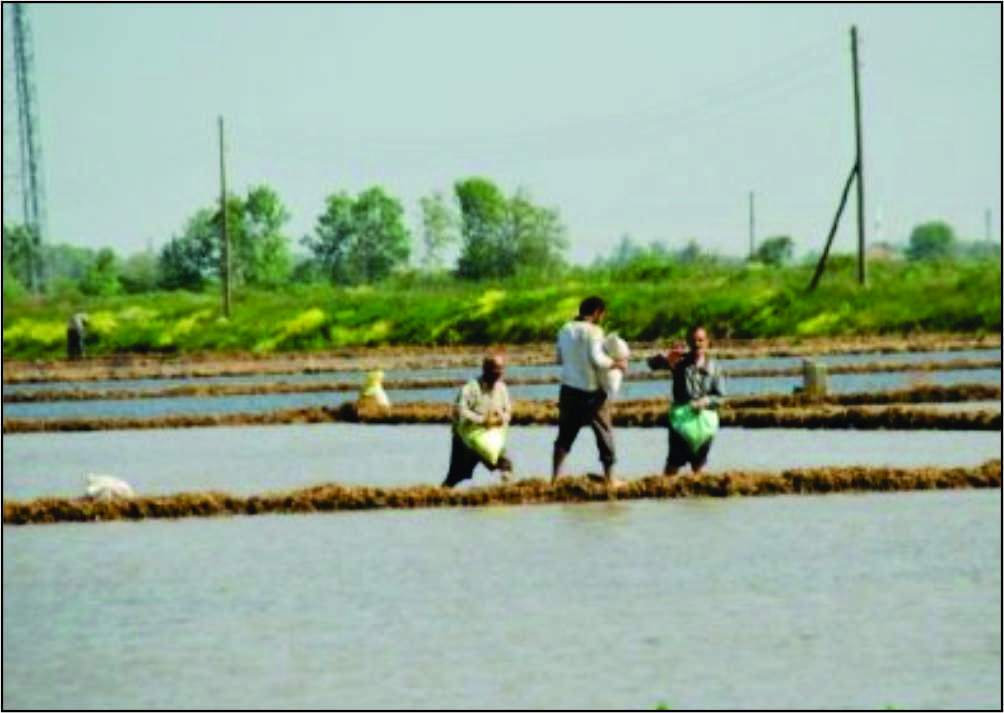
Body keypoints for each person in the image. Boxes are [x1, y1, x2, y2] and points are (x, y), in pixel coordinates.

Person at [552, 296, 629, 487]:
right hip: (591, 391)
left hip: (569, 389)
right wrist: (616, 363)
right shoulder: (595, 331)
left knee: (565, 435)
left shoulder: (564, 329)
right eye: (602, 314)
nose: (602, 317)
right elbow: (597, 359)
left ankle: (555, 478)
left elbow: (559, 358)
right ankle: (611, 478)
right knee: (604, 434)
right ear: (596, 313)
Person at [648, 325, 726, 475]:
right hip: (680, 421)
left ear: (707, 343)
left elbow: (721, 397)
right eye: (693, 340)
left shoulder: (715, 368)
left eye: (700, 340)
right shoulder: (678, 363)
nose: (697, 344)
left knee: (699, 464)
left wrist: (706, 401)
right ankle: (666, 492)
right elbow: (651, 364)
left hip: (705, 423)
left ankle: (700, 496)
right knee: (673, 463)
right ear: (688, 343)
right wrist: (667, 357)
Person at [442, 353, 514, 488]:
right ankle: (440, 497)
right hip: (466, 438)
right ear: (485, 369)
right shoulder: (471, 388)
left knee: (506, 465)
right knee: (457, 475)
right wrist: (482, 420)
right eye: (495, 370)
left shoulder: (502, 388)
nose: (498, 373)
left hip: (491, 437)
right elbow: (460, 411)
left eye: (501, 369)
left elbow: (508, 411)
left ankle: (507, 495)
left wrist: (501, 418)